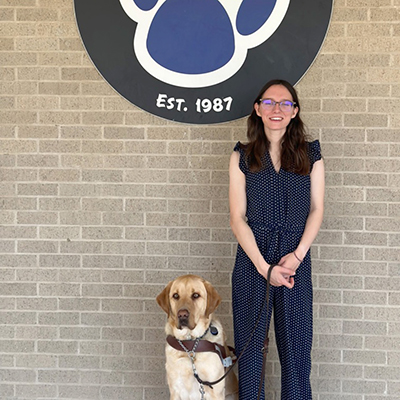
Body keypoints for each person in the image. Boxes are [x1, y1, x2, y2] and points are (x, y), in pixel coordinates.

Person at [229, 79, 325, 399]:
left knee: (296, 354)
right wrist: (263, 267)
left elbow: (316, 209)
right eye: (269, 102)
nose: (277, 109)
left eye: (285, 104)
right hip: (253, 259)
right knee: (251, 354)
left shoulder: (310, 154)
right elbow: (237, 218)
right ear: (257, 109)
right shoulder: (242, 156)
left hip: (294, 259)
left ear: (295, 111)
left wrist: (296, 256)